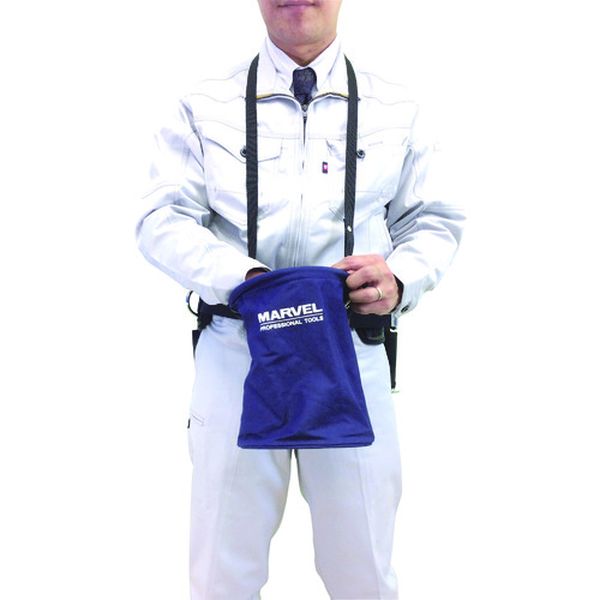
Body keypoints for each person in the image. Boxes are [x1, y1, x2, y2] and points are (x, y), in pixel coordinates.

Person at [136, 0, 464, 597]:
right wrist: (248, 280)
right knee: (222, 575)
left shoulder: (397, 108)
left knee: (363, 570)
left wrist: (399, 277)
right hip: (238, 354)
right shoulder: (203, 105)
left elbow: (433, 221)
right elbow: (162, 218)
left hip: (350, 355)